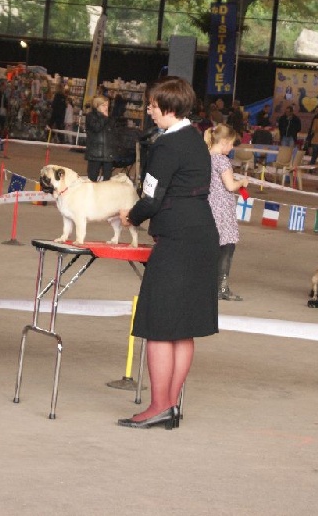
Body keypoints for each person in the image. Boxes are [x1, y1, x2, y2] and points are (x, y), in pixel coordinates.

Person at [117, 76, 219, 429]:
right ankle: (170, 405)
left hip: (176, 238)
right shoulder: (196, 139)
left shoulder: (165, 145)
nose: (149, 111)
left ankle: (158, 405)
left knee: (159, 326)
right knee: (183, 328)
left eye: (153, 106)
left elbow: (151, 198)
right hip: (203, 235)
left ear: (169, 108)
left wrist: (130, 215)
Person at [204, 124, 249, 301]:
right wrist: (242, 182)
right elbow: (230, 185)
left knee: (211, 247)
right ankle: (221, 288)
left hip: (209, 206)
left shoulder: (205, 157)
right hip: (222, 209)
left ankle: (205, 285)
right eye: (231, 144)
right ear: (223, 142)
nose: (231, 148)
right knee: (227, 246)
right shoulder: (222, 160)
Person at [85, 95, 116, 181]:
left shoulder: (111, 118)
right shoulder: (90, 116)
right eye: (103, 105)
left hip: (108, 154)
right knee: (92, 179)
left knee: (107, 180)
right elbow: (96, 128)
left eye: (107, 105)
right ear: (97, 105)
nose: (106, 108)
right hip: (95, 154)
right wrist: (104, 118)